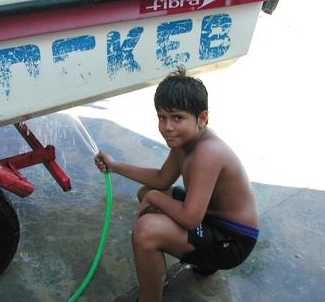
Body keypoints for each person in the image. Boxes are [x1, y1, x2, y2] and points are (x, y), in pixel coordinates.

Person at [94, 66, 259, 302]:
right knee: (149, 192)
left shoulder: (207, 153)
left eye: (177, 118)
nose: (167, 127)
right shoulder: (185, 141)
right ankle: (203, 260)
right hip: (210, 219)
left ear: (202, 118)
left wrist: (155, 198)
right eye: (162, 117)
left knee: (146, 230)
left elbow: (190, 218)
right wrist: (115, 165)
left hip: (232, 240)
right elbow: (162, 178)